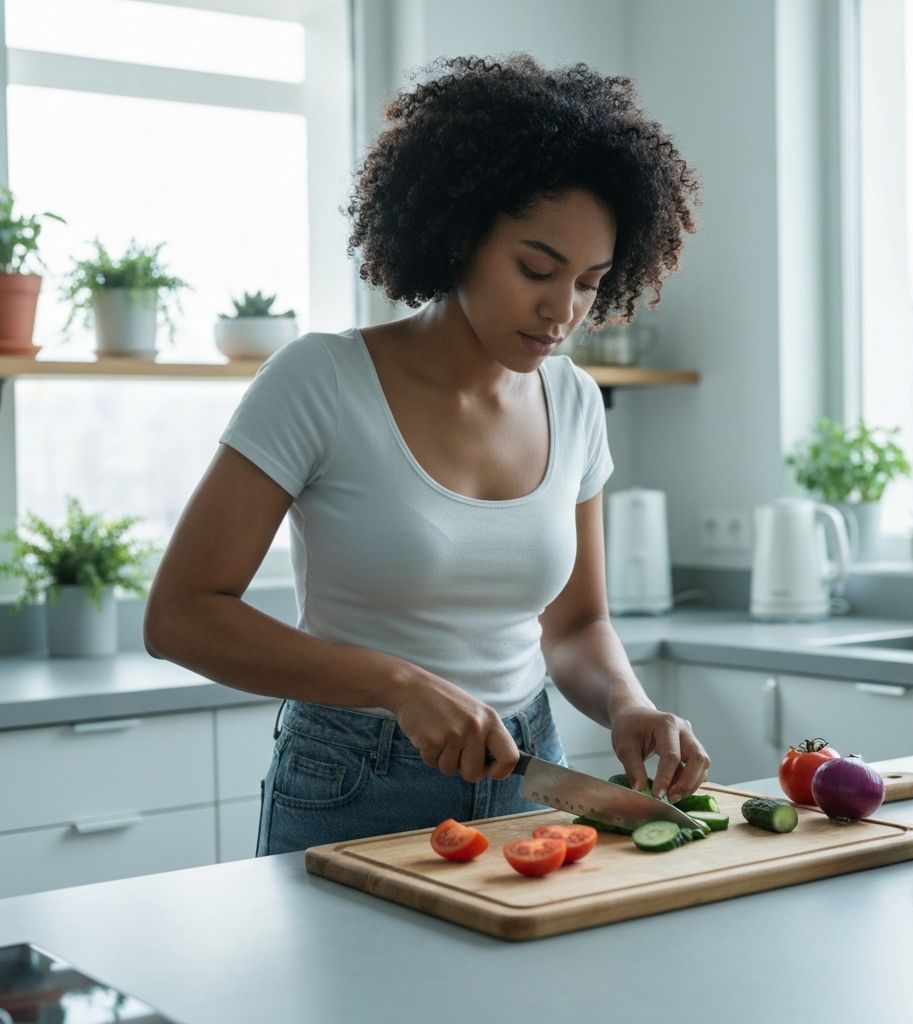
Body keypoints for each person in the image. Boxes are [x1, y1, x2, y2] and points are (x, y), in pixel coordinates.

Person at [144, 54, 708, 856]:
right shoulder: (322, 380)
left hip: (530, 769)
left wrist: (628, 705)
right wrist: (398, 685)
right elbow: (180, 617)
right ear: (458, 234)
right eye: (536, 269)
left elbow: (577, 624)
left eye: (590, 281)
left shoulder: (575, 401)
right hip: (357, 776)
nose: (563, 310)